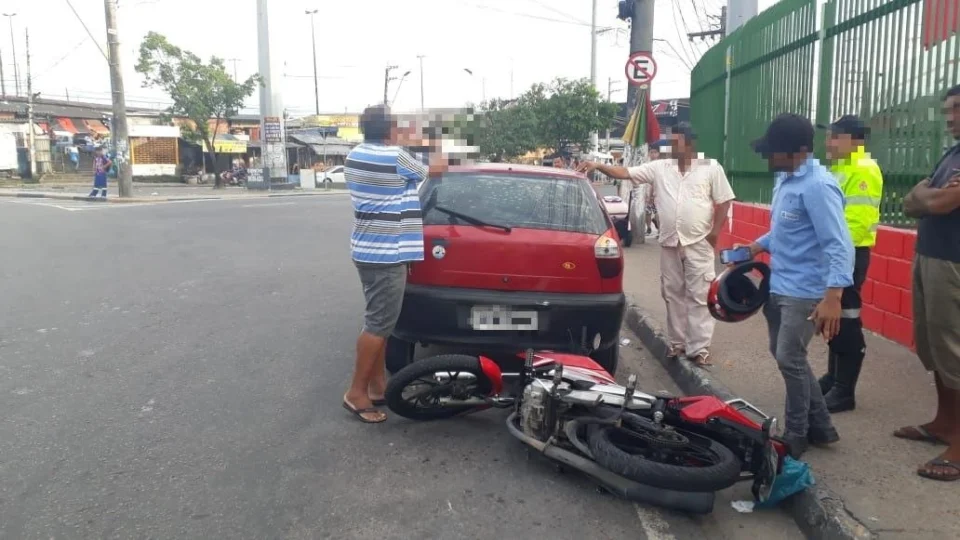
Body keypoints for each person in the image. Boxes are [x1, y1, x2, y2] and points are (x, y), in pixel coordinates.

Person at [740, 113, 852, 457]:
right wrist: (754, 247)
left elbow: (839, 244)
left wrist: (834, 297)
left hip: (805, 290)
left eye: (777, 151)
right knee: (785, 354)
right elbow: (787, 230)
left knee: (790, 357)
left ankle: (797, 434)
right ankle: (822, 426)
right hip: (780, 282)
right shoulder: (786, 178)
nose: (770, 158)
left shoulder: (819, 186)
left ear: (801, 150)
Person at [579, 124, 735, 367]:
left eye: (677, 142)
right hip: (670, 243)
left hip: (699, 242)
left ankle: (699, 348)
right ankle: (678, 344)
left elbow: (725, 201)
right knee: (672, 294)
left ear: (690, 143)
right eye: (670, 142)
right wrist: (599, 165)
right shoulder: (660, 168)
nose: (672, 147)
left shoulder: (710, 168)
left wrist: (714, 233)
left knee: (700, 295)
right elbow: (626, 172)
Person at [342, 104, 447, 423]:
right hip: (387, 253)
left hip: (367, 248)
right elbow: (438, 168)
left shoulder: (354, 155)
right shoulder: (395, 157)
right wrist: (430, 141)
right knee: (378, 324)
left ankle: (376, 386)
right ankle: (356, 393)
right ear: (389, 130)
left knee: (378, 320)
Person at [899, 84, 960, 481]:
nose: (950, 117)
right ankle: (944, 424)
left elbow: (934, 203)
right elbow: (910, 202)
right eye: (947, 110)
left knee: (955, 350)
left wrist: (927, 195)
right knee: (935, 347)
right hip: (930, 258)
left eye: (957, 109)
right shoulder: (953, 154)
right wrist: (927, 195)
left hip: (954, 265)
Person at [815, 115, 883, 413]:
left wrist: (837, 259)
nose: (828, 142)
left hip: (850, 254)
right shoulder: (841, 169)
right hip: (837, 254)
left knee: (849, 317)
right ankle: (834, 377)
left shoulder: (863, 169)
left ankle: (845, 390)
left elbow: (855, 223)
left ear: (855, 140)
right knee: (836, 317)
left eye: (835, 136)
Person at [644, 140, 668, 236]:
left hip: (657, 193)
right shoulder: (648, 164)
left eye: (655, 152)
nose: (653, 154)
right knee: (648, 211)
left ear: (659, 153)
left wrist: (651, 196)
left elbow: (655, 182)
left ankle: (660, 231)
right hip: (651, 193)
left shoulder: (659, 165)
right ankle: (649, 228)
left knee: (658, 212)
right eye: (651, 152)